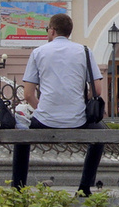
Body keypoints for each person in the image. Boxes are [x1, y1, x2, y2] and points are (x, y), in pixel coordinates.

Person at [10, 11, 105, 195]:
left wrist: (44, 111)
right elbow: (97, 90)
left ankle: (18, 189)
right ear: (69, 32)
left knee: (21, 134)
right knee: (101, 136)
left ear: (52, 31)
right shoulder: (84, 51)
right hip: (78, 120)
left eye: (47, 30)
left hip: (44, 120)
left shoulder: (38, 53)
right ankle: (84, 188)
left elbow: (28, 94)